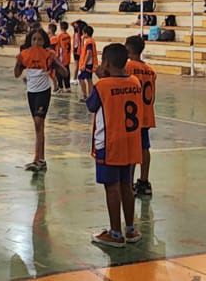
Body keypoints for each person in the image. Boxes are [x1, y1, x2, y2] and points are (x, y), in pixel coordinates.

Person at [88, 43, 143, 248]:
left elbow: (91, 105)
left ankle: (115, 234)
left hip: (110, 143)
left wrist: (101, 79)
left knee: (111, 188)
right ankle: (130, 229)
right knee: (126, 185)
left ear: (107, 63)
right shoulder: (135, 82)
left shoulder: (102, 86)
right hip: (130, 141)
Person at [16, 28, 67, 172]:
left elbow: (64, 72)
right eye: (34, 39)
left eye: (39, 39)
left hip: (43, 92)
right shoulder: (26, 55)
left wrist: (54, 62)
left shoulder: (49, 55)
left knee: (39, 124)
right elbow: (16, 73)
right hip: (31, 92)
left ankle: (38, 159)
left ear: (44, 41)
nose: (36, 42)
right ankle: (40, 159)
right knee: (37, 126)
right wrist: (19, 62)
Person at [125, 36, 158, 197]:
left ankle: (128, 184)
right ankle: (144, 182)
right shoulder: (150, 70)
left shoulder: (128, 67)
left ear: (128, 49)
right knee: (144, 147)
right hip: (145, 113)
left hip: (132, 115)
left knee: (132, 149)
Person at [78, 25, 98, 102]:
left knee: (81, 78)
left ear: (86, 33)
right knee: (89, 79)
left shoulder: (89, 42)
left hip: (87, 64)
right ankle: (90, 96)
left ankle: (85, 95)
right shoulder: (91, 40)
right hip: (90, 63)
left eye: (83, 33)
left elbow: (89, 53)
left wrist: (84, 64)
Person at [55, 22, 73, 94]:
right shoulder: (68, 36)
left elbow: (59, 47)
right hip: (67, 56)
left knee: (59, 72)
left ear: (60, 27)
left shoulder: (59, 36)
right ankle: (67, 87)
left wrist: (57, 56)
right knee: (67, 71)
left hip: (61, 58)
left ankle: (60, 87)